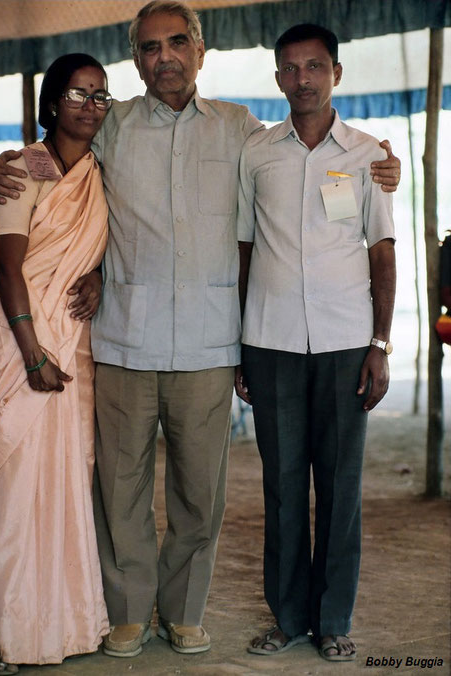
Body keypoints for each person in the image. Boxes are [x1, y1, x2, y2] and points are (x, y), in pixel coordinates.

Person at [0, 1, 401, 660]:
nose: (164, 58)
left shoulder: (242, 130)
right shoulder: (112, 124)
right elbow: (50, 165)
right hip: (123, 337)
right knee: (118, 488)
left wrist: (383, 164)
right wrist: (2, 167)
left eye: (177, 43)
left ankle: (182, 612)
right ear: (137, 61)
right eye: (149, 48)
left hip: (210, 343)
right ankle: (126, 613)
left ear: (201, 49)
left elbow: (308, 156)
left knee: (198, 495)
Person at [236, 24, 396, 663]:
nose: (302, 79)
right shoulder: (257, 154)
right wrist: (239, 344)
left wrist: (380, 343)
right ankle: (289, 617)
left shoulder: (365, 156)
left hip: (343, 341)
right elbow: (244, 250)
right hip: (270, 340)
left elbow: (382, 253)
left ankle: (333, 619)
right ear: (277, 78)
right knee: (280, 487)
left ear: (336, 73)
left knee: (339, 486)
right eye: (290, 69)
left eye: (315, 67)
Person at [0, 53, 112, 674]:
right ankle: (0, 627)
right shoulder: (22, 167)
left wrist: (101, 279)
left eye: (100, 96)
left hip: (73, 342)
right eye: (79, 94)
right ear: (53, 102)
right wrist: (33, 354)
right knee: (11, 487)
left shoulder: (100, 172)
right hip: (19, 340)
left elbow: (105, 248)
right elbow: (8, 265)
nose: (90, 106)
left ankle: (58, 619)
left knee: (62, 481)